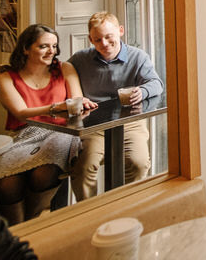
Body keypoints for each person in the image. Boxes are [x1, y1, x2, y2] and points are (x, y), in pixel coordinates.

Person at [0, 23, 95, 225]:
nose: (51, 51)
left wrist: (74, 106)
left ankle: (26, 228)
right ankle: (13, 232)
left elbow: (77, 101)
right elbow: (21, 114)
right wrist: (55, 107)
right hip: (25, 134)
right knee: (6, 186)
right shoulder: (6, 78)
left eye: (54, 46)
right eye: (44, 46)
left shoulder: (65, 68)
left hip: (63, 131)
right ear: (25, 48)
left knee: (43, 174)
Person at [68, 11, 164, 200]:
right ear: (90, 39)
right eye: (97, 40)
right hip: (94, 126)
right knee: (83, 167)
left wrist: (142, 91)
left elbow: (157, 84)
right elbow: (55, 71)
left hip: (129, 122)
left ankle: (125, 204)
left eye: (108, 37)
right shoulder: (80, 59)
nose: (103, 44)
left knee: (138, 162)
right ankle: (90, 212)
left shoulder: (138, 57)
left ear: (121, 31)